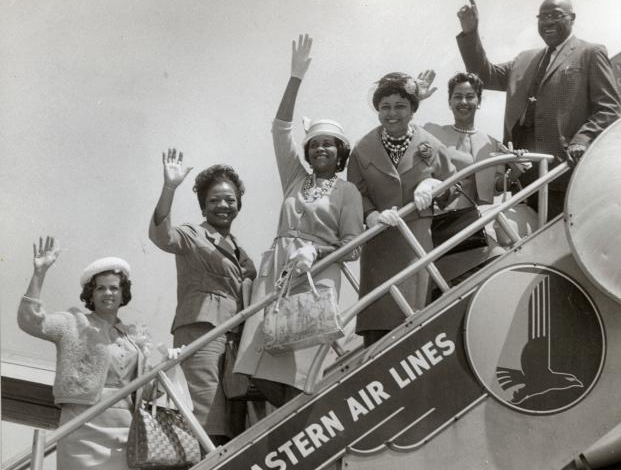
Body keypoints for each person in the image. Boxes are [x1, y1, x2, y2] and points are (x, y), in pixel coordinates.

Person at [233, 34, 364, 407]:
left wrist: (315, 251)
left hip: (315, 276)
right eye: (315, 143)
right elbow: (280, 129)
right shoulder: (295, 177)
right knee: (256, 360)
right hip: (277, 270)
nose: (321, 148)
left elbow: (352, 248)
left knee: (296, 370)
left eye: (329, 144)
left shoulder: (347, 192)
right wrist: (296, 77)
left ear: (340, 153)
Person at [456, 0, 621, 220]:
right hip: (521, 169)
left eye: (556, 15)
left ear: (572, 18)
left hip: (561, 171)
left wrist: (582, 140)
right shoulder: (525, 59)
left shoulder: (590, 53)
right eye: (543, 17)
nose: (548, 22)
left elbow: (609, 108)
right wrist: (470, 33)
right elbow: (485, 75)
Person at [17, 237, 170, 470]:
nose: (108, 293)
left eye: (114, 288)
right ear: (90, 294)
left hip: (126, 434)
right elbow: (30, 322)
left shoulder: (133, 338)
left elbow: (147, 393)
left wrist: (170, 365)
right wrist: (39, 273)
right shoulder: (73, 323)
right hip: (82, 429)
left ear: (123, 293)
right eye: (100, 288)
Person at [149, 153, 257, 446]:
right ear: (203, 206)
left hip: (234, 338)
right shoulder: (193, 235)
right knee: (204, 416)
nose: (223, 205)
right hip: (201, 333)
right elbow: (162, 236)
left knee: (230, 417)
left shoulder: (239, 248)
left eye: (230, 199)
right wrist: (169, 188)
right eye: (215, 200)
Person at [347, 71, 456, 348]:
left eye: (400, 106)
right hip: (380, 247)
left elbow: (453, 187)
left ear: (413, 109)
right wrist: (370, 215)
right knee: (380, 328)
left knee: (419, 327)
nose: (392, 113)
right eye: (385, 107)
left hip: (417, 243)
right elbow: (355, 192)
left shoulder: (431, 144)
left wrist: (433, 185)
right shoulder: (361, 149)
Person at [422, 71, 530, 285]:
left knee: (500, 263)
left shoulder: (490, 142)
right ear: (449, 101)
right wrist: (415, 99)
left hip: (476, 224)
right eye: (457, 96)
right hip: (443, 221)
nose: (464, 102)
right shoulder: (432, 132)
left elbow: (498, 186)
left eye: (470, 96)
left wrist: (517, 170)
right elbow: (406, 140)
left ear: (479, 101)